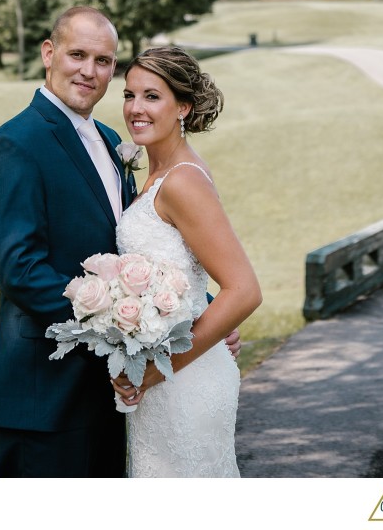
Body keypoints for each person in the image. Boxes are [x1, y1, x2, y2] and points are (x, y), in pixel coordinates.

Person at [0, 6, 240, 478]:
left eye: (103, 61)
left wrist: (197, 310)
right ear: (49, 53)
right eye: (77, 54)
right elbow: (20, 268)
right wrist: (116, 326)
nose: (89, 71)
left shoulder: (112, 139)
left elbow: (144, 250)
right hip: (45, 393)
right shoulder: (15, 144)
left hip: (114, 391)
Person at [113, 46, 262, 477]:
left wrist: (157, 371)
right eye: (129, 95)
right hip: (162, 374)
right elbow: (188, 272)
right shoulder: (159, 173)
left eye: (151, 96)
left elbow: (245, 289)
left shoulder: (181, 181)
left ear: (183, 106)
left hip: (183, 378)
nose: (135, 109)